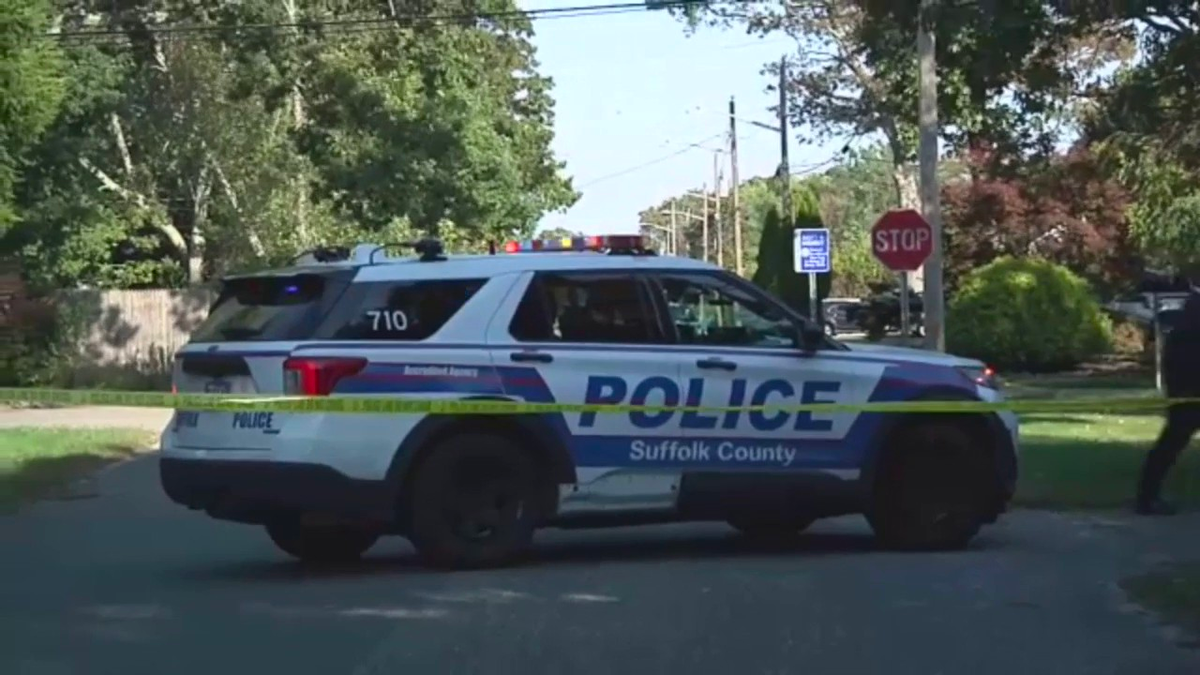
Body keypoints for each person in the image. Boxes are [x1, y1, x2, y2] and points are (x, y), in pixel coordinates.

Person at [1136, 276, 1200, 515]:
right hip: (1190, 390)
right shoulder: (1195, 310)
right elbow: (1182, 356)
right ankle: (1146, 497)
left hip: (1187, 388)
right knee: (1172, 441)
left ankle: (1147, 496)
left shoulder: (1192, 309)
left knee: (1171, 442)